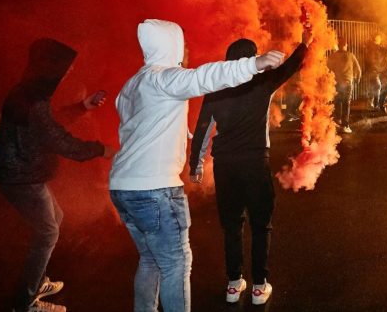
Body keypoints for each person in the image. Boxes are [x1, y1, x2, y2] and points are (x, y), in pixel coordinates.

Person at [109, 19, 284, 312]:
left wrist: (184, 138)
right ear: (170, 45)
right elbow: (206, 77)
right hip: (155, 189)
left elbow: (140, 126)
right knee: (175, 264)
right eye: (181, 43)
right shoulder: (165, 77)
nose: (185, 49)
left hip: (122, 186)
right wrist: (255, 64)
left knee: (151, 261)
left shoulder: (131, 85)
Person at [188, 29, 311, 306]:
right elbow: (291, 65)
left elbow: (203, 128)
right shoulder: (261, 82)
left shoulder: (217, 88)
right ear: (252, 58)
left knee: (231, 226)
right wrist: (305, 43)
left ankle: (233, 284)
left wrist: (195, 165)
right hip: (255, 164)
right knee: (261, 224)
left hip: (225, 167)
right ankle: (258, 287)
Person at [0, 38, 116, 312]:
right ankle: (25, 303)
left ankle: (35, 281)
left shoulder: (27, 93)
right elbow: (60, 141)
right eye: (64, 67)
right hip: (21, 179)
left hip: (22, 174)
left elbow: (49, 124)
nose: (69, 71)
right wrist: (100, 149)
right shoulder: (33, 101)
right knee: (48, 232)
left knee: (55, 219)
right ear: (49, 68)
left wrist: (83, 106)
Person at [328, 36, 361, 133]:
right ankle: (345, 125)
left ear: (338, 45)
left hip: (337, 82)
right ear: (346, 45)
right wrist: (357, 79)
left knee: (337, 101)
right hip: (347, 83)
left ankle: (337, 121)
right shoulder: (351, 55)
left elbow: (328, 69)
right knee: (346, 103)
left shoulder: (333, 56)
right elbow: (358, 69)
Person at [367, 34, 387, 113]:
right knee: (377, 86)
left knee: (386, 88)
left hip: (384, 71)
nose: (376, 39)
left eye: (378, 38)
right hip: (375, 71)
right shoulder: (371, 48)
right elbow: (370, 60)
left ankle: (381, 105)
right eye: (375, 38)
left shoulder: (382, 48)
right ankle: (376, 105)